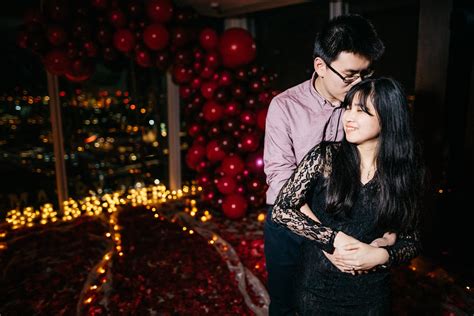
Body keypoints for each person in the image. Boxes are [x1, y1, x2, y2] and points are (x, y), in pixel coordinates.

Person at [263, 14, 388, 315]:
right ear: (320, 66)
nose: (360, 83)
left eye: (366, 74)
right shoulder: (285, 106)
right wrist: (328, 240)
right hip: (290, 220)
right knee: (285, 302)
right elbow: (280, 179)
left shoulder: (366, 104)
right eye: (350, 75)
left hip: (343, 219)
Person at [271, 77, 425, 315]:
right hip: (317, 288)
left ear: (388, 118)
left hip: (372, 294)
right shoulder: (325, 157)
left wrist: (383, 255)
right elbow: (282, 210)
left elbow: (412, 238)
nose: (349, 117)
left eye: (362, 111)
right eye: (348, 107)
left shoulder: (405, 172)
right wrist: (333, 240)